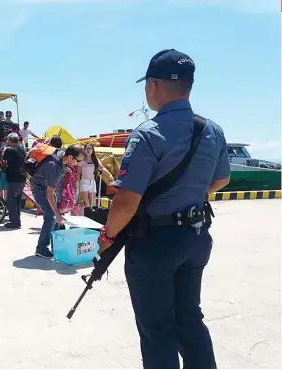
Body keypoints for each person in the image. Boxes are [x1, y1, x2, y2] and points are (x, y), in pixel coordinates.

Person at [97, 49, 230, 369]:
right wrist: (191, 193)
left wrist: (108, 235)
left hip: (156, 243)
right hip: (196, 238)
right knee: (189, 318)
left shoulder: (147, 134)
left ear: (154, 86)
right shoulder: (211, 130)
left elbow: (126, 203)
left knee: (157, 330)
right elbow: (222, 179)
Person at [30, 144, 85, 258]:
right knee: (51, 216)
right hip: (39, 188)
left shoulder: (61, 155)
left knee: (55, 217)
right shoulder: (55, 167)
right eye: (78, 161)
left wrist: (66, 169)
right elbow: (50, 195)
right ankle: (41, 248)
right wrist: (57, 214)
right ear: (70, 157)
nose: (78, 164)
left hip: (45, 186)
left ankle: (57, 247)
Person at [77, 143, 114, 207]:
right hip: (84, 181)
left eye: (90, 148)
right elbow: (78, 173)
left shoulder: (95, 160)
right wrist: (76, 183)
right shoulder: (81, 160)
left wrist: (109, 174)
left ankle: (91, 214)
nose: (88, 150)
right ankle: (87, 213)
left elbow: (102, 168)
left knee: (93, 201)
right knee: (86, 201)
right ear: (84, 150)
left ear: (92, 150)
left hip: (92, 181)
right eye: (86, 148)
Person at [2, 133, 26, 229]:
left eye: (8, 140)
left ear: (11, 141)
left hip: (14, 179)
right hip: (22, 178)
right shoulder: (22, 150)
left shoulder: (9, 150)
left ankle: (15, 222)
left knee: (11, 201)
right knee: (17, 201)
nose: (7, 142)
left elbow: (3, 160)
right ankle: (17, 219)